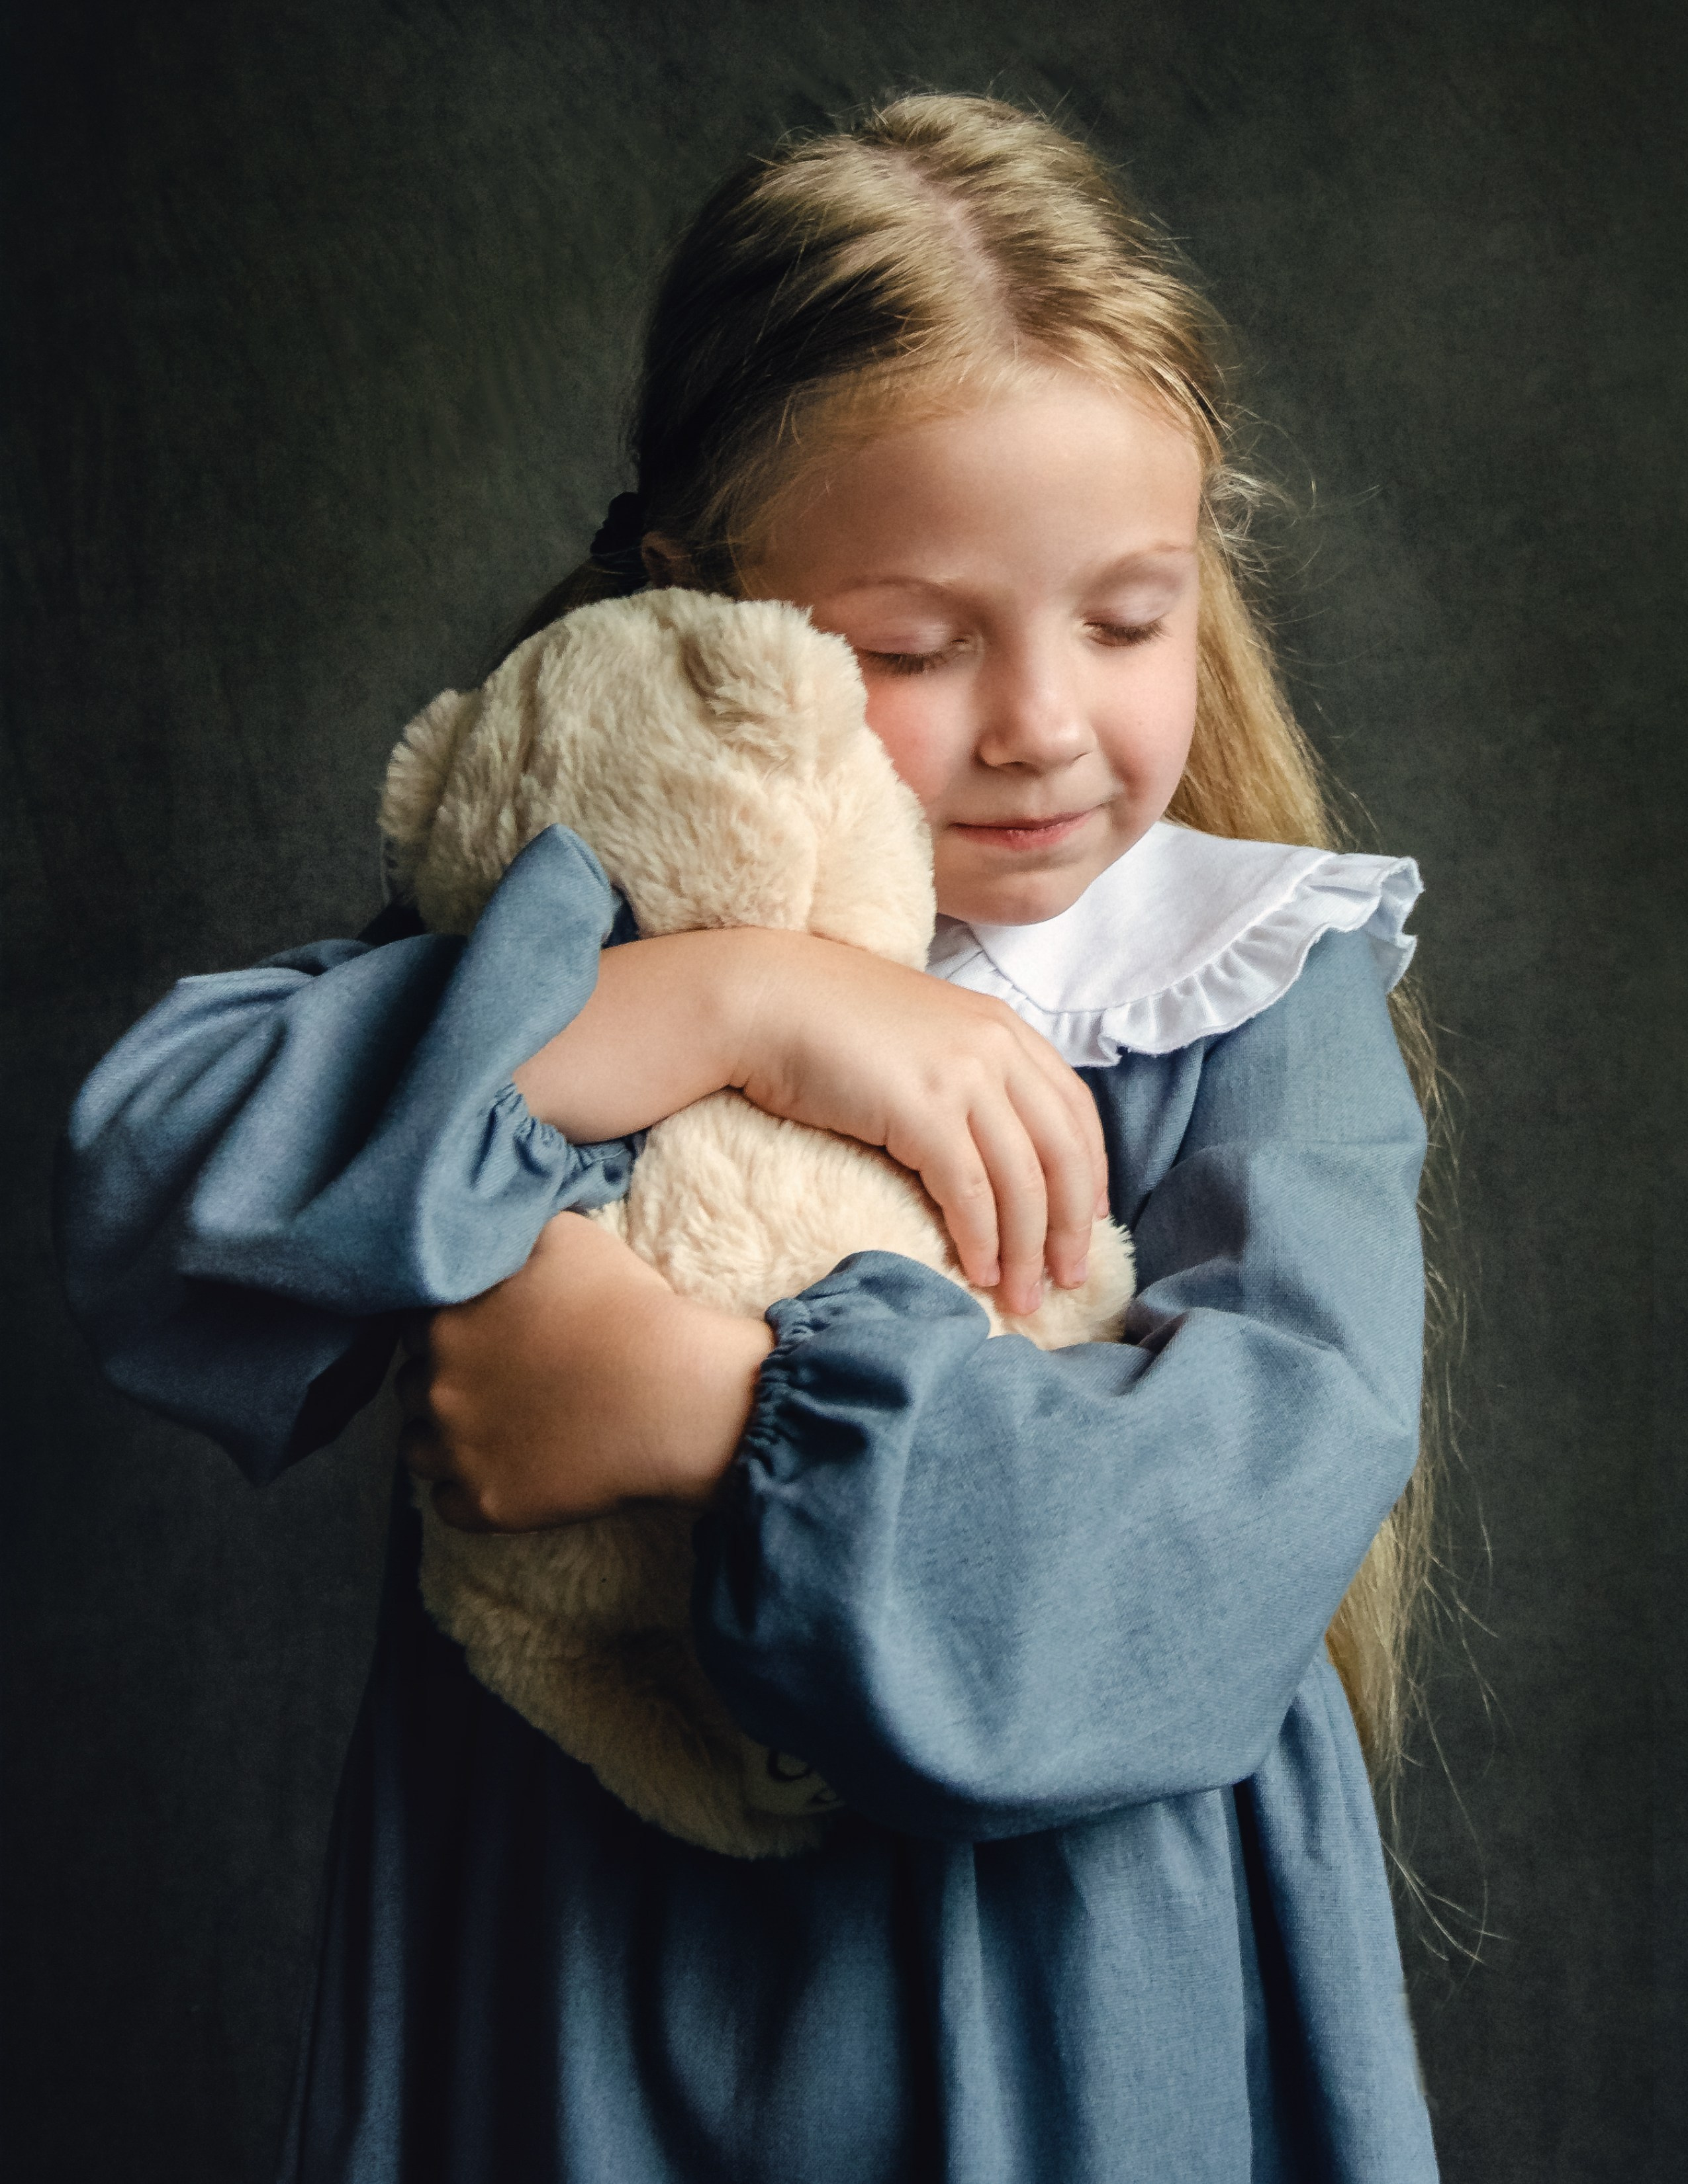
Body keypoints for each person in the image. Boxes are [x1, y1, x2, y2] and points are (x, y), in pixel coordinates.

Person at [56, 94, 1442, 2183]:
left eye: (1129, 615)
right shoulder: (591, 913)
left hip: (1065, 2014)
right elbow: (159, 1203)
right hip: (576, 1985)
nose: (1046, 720)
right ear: (704, 603)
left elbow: (1202, 1552)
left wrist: (714, 1409)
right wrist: (725, 1001)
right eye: (914, 643)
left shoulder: (1248, 986)